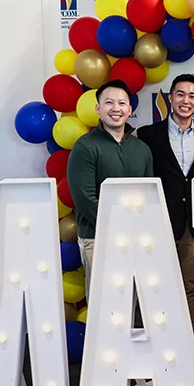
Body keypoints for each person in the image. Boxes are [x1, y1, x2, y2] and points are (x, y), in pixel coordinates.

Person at [137, 74, 194, 358]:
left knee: (192, 283)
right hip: (159, 221)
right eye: (180, 94)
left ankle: (193, 339)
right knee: (156, 283)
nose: (186, 100)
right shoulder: (148, 134)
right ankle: (159, 337)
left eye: (192, 95)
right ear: (170, 98)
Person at [67, 79, 153, 301]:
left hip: (135, 238)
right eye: (109, 103)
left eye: (122, 103)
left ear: (130, 109)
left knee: (129, 301)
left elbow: (148, 195)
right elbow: (85, 199)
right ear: (98, 108)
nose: (116, 108)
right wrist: (119, 226)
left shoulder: (142, 149)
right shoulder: (85, 147)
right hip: (97, 238)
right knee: (103, 303)